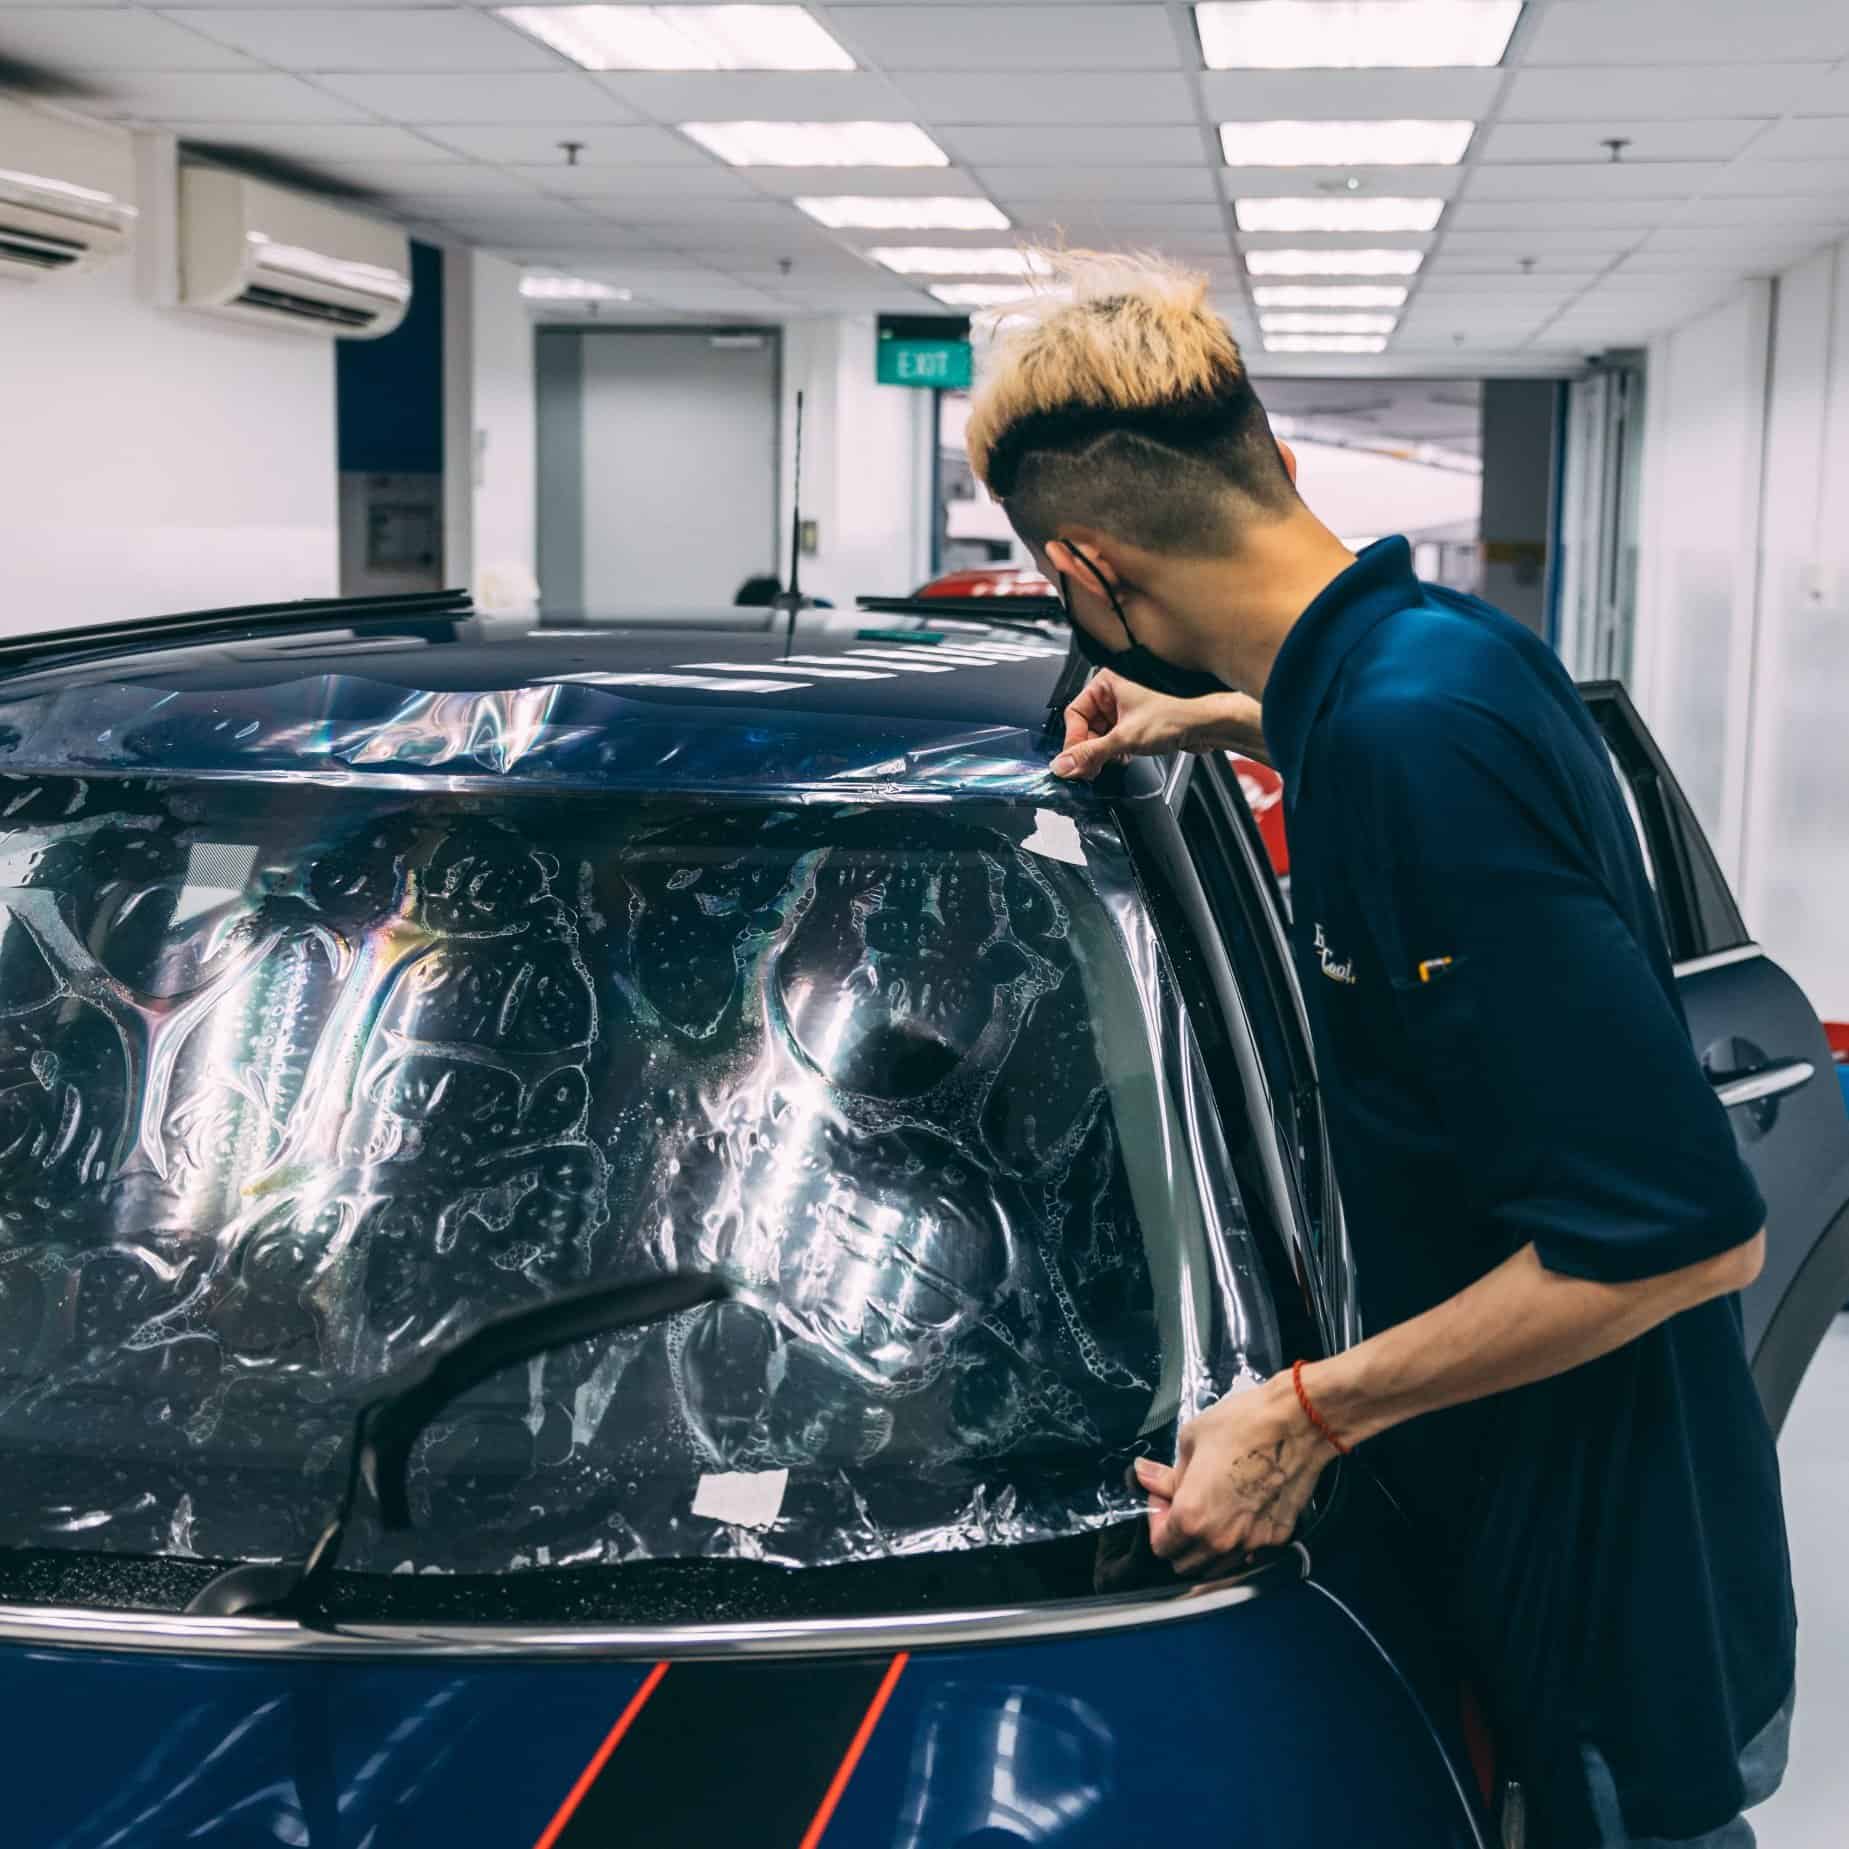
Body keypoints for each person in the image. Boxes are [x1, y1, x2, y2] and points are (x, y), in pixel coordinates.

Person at [962, 251, 1795, 1849]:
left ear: (1080, 564)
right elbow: (1400, 761)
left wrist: (1302, 1412)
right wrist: (1197, 718)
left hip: (1592, 1551)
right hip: (1536, 1501)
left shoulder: (1411, 737)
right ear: (1272, 459)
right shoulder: (1421, 657)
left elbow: (1684, 1235)